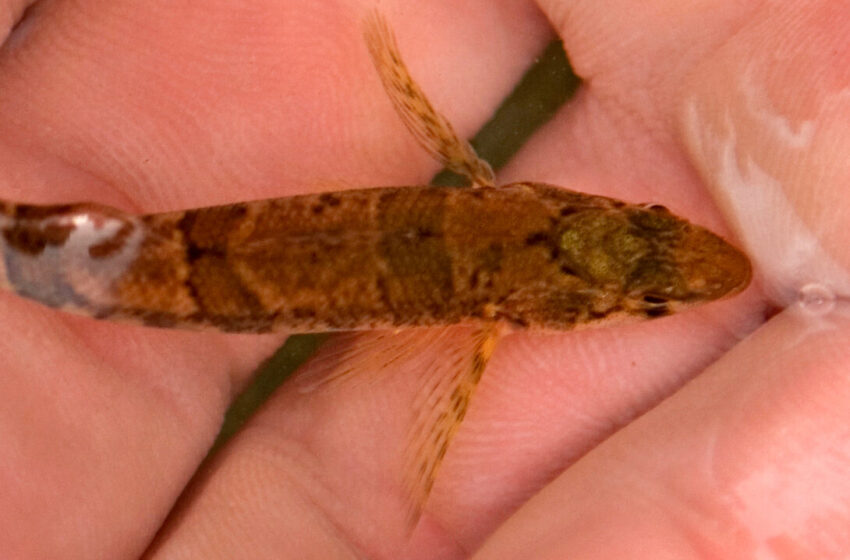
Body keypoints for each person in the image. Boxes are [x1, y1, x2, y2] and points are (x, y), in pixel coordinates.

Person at [1, 1, 845, 558]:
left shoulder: (490, 199)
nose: (673, 243)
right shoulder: (488, 324)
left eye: (647, 293)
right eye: (650, 230)